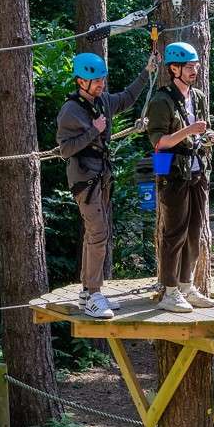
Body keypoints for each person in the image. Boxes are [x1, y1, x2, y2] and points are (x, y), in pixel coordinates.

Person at [57, 51, 155, 319]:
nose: (101, 84)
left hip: (102, 177)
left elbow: (127, 97)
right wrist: (94, 130)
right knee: (98, 233)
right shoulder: (70, 111)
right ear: (81, 81)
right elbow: (65, 150)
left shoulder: (102, 102)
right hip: (85, 180)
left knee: (97, 234)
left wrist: (146, 72)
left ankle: (87, 292)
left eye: (102, 79)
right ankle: (93, 292)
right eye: (96, 81)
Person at [145, 41, 214, 313]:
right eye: (189, 66)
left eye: (196, 65)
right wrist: (189, 130)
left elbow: (202, 132)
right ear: (174, 69)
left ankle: (186, 286)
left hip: (197, 170)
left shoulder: (199, 96)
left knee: (194, 232)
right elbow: (159, 142)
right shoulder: (161, 101)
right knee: (175, 233)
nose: (195, 70)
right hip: (172, 172)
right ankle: (169, 291)